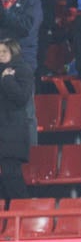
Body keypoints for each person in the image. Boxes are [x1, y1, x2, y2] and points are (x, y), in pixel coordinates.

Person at [0, 40, 33, 206]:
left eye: (4, 52)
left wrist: (7, 80)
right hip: (3, 132)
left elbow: (21, 98)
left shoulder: (22, 70)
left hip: (12, 133)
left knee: (12, 177)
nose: (0, 55)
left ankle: (24, 213)